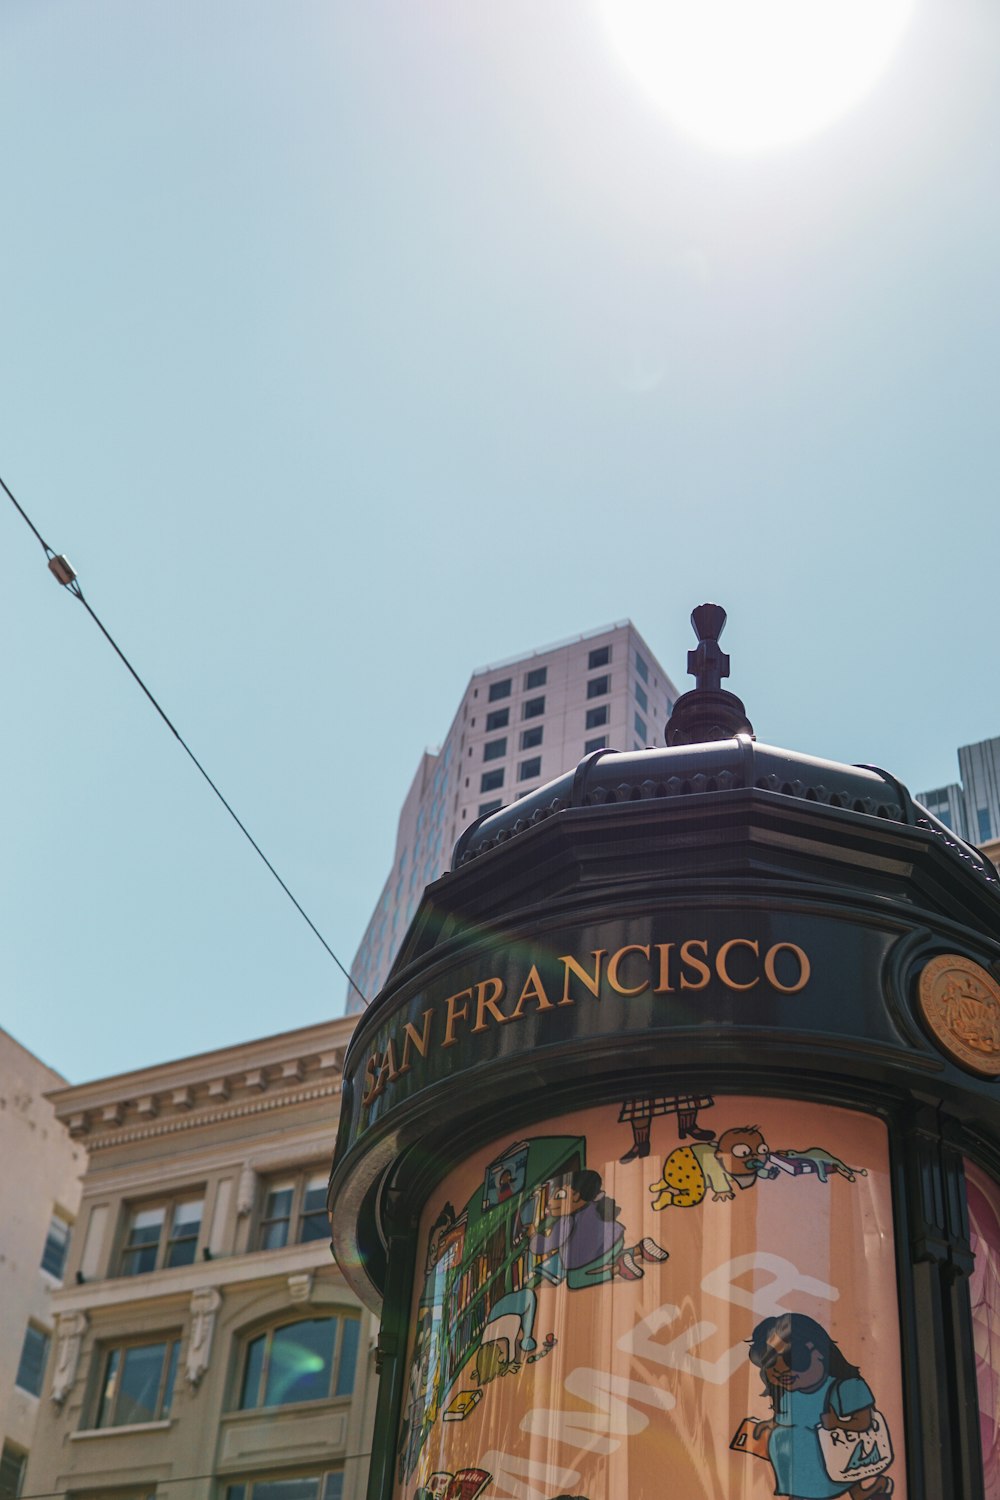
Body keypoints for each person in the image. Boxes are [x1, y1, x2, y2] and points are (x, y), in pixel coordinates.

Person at [747, 1314, 893, 1498]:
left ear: (819, 1353)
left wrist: (838, 1423)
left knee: (837, 1473)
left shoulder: (846, 1387)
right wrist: (769, 1425)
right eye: (769, 1362)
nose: (779, 1368)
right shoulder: (790, 1394)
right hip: (798, 1467)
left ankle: (859, 1493)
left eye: (791, 1357)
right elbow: (786, 1418)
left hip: (827, 1463)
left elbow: (864, 1422)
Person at [529, 1169, 667, 1286]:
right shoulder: (596, 1203)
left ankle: (618, 1269)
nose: (550, 1202)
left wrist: (533, 1236)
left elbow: (544, 1246)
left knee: (575, 1281)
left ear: (576, 1196)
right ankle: (638, 1250)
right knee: (609, 1253)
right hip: (616, 1242)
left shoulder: (565, 1223)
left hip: (594, 1255)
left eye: (558, 1195)